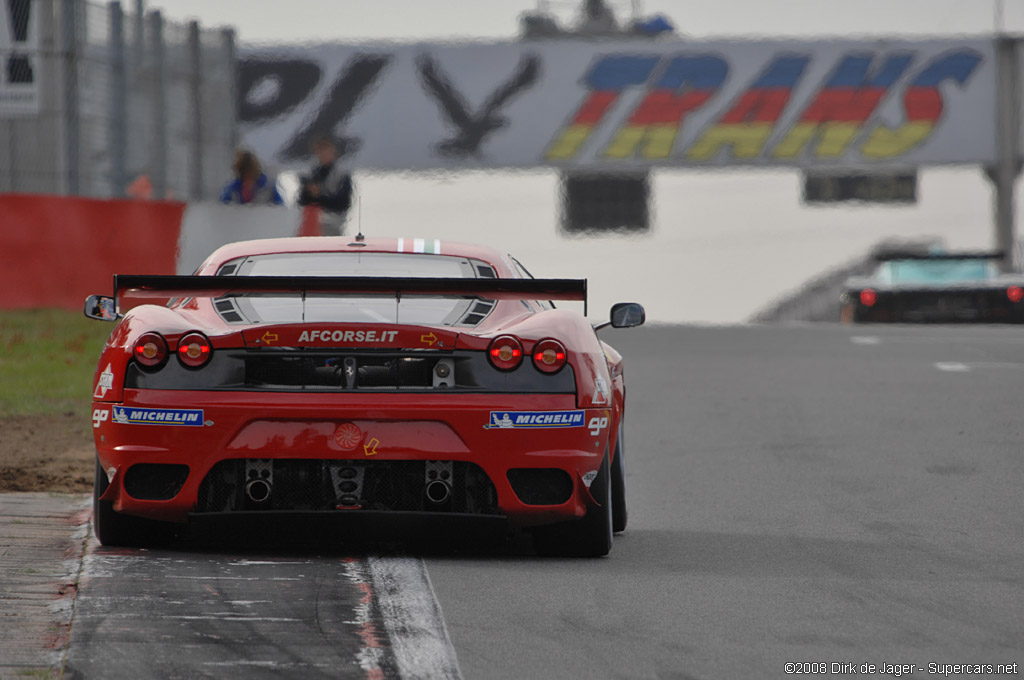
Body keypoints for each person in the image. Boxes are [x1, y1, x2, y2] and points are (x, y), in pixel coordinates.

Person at [297, 137, 353, 236]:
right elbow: (301, 201)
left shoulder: (342, 176)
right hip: (311, 224)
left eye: (326, 150)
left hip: (334, 224)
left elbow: (343, 203)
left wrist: (318, 196)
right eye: (321, 150)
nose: (324, 154)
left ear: (333, 152)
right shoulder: (309, 175)